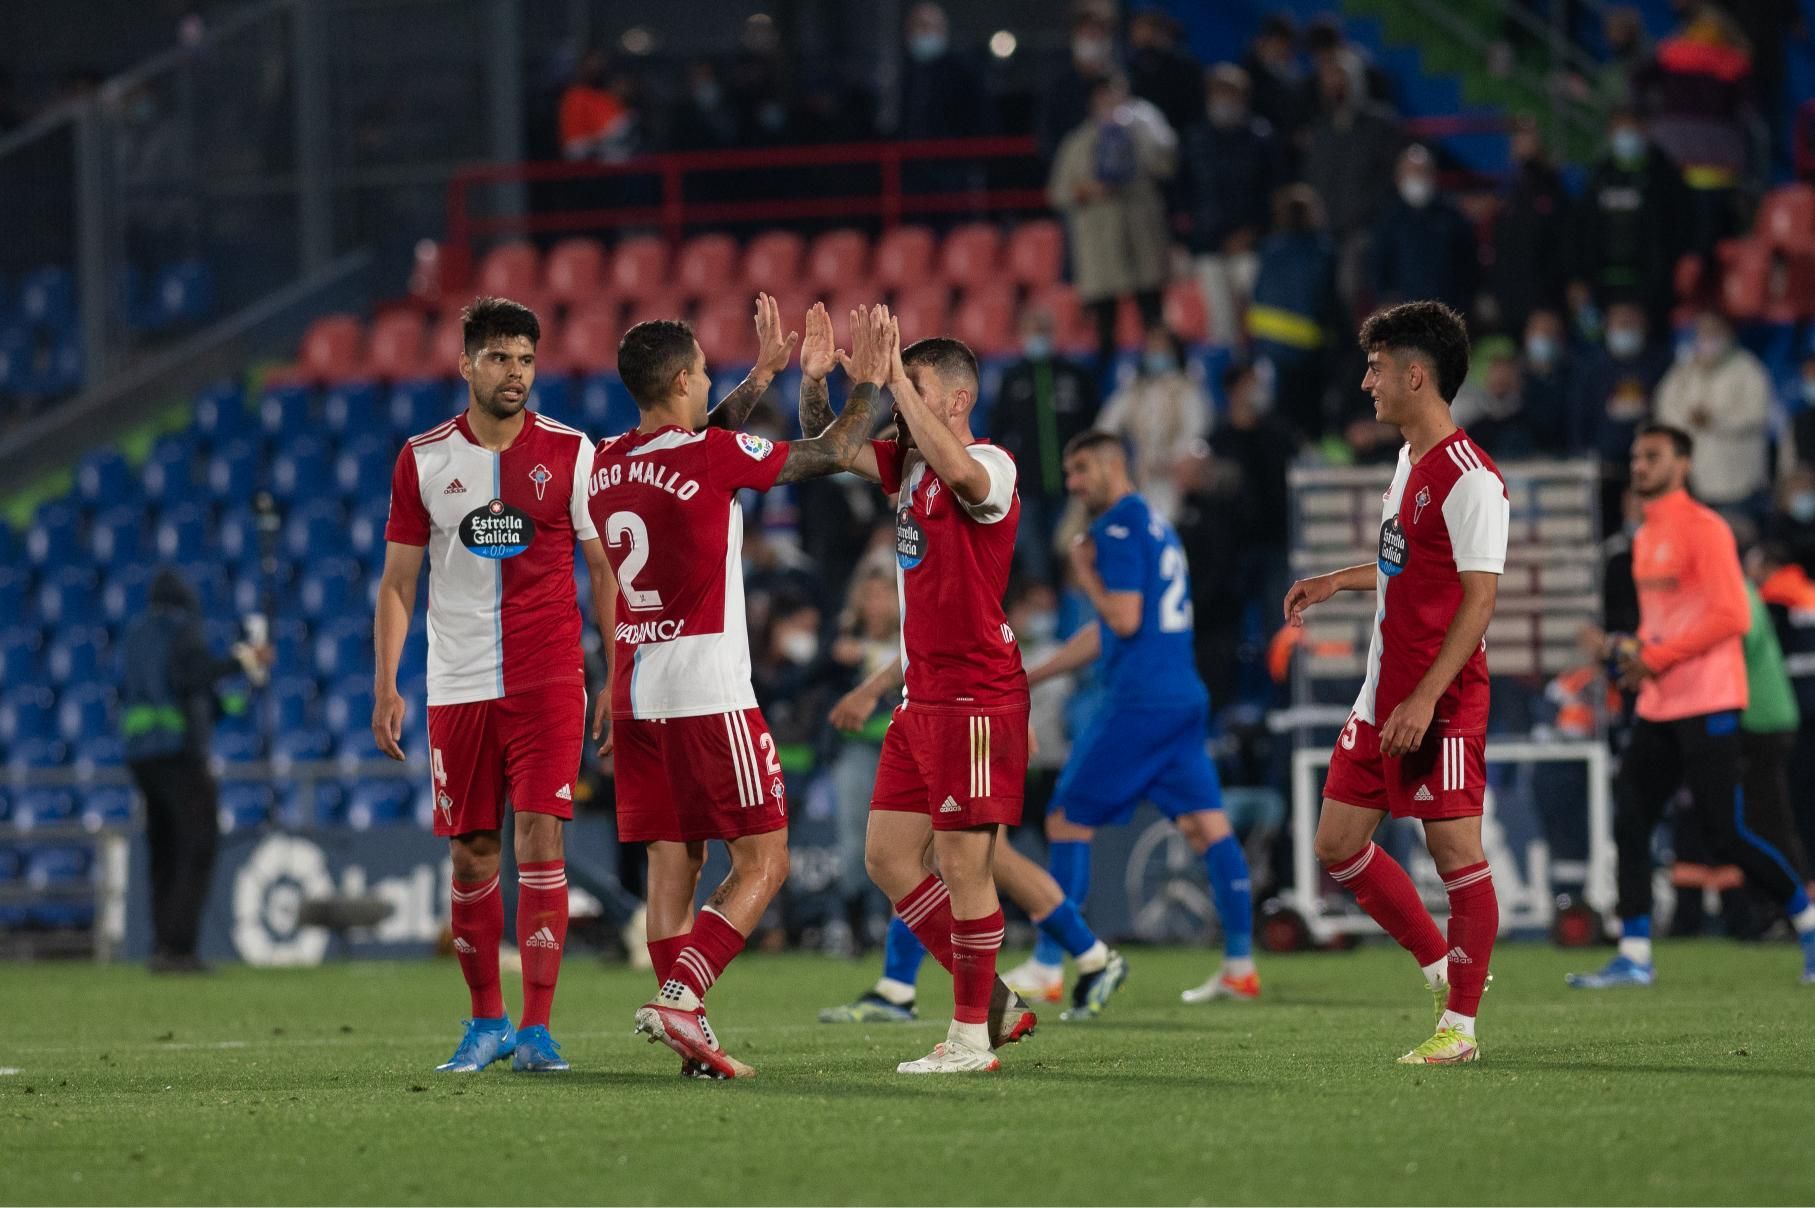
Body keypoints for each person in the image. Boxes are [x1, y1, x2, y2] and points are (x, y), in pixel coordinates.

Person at [590, 300, 889, 1078]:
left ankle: (688, 1028)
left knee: (672, 863)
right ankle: (682, 999)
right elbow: (836, 449)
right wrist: (868, 383)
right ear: (687, 378)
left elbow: (690, 447)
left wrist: (760, 376)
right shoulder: (709, 458)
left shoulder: (606, 462)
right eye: (706, 371)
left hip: (634, 688)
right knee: (764, 862)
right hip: (707, 690)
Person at [374, 297, 607, 1074]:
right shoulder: (425, 459)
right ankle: (484, 1022)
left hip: (547, 680)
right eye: (500, 358)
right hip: (459, 682)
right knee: (473, 853)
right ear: (467, 363)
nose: (515, 373)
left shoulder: (572, 452)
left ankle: (537, 1029)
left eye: (526, 359)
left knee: (541, 838)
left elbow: (602, 568)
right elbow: (398, 582)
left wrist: (619, 666)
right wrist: (387, 682)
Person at [1283, 300, 1510, 1064]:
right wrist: (1336, 581)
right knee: (1337, 845)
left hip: (1438, 703)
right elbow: (1404, 566)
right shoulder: (1410, 459)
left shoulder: (1472, 479)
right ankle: (1439, 969)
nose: (1364, 382)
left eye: (1377, 369)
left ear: (1417, 375)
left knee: (1455, 855)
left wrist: (1423, 698)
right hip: (1382, 694)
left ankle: (1461, 1031)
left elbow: (1479, 602)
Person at [844, 321, 1041, 1073]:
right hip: (921, 697)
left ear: (957, 398)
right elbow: (829, 447)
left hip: (976, 698)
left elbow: (966, 478)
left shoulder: (989, 464)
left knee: (965, 868)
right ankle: (994, 1001)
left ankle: (968, 1039)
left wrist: (893, 380)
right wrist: (817, 383)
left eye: (915, 387)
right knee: (889, 857)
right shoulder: (907, 468)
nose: (901, 404)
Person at [1008, 432, 1261, 1004]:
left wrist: (1084, 571)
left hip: (1140, 701)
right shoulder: (1154, 524)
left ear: (1107, 464)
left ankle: (1050, 965)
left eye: (1078, 471)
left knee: (1066, 820)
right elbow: (1111, 630)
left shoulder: (1114, 530)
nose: (1072, 485)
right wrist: (1036, 674)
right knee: (1207, 826)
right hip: (1181, 695)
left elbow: (1121, 618)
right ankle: (1241, 964)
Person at [1569, 424, 1815, 988]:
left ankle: (1807, 920)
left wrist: (1656, 658)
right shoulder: (1645, 536)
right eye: (1634, 456)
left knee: (1725, 834)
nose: (1639, 465)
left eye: (1652, 456)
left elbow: (1734, 615)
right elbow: (1663, 627)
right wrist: (1628, 654)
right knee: (1630, 821)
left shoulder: (1705, 528)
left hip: (1709, 699)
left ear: (1682, 463)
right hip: (1661, 703)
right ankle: (1635, 954)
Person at [819, 645, 1129, 1022]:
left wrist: (1011, 707)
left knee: (968, 858)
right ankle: (1090, 957)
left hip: (968, 711)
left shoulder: (953, 588)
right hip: (941, 708)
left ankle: (910, 989)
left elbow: (977, 630)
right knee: (929, 857)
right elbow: (919, 637)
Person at [121, 568, 271, 973]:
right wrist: (241, 663)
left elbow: (174, 691)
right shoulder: (182, 631)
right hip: (178, 754)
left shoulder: (134, 635)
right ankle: (180, 949)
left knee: (163, 849)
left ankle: (161, 945)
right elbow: (192, 677)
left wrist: (230, 698)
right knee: (196, 844)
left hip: (141, 756)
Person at [1047, 72, 1177, 373]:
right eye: (1104, 95)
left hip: (1142, 242)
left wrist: (1143, 133)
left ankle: (1160, 376)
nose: (1111, 102)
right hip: (1101, 249)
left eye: (1117, 94)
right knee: (1105, 328)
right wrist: (1085, 190)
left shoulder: (1145, 129)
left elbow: (1167, 165)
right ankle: (1104, 386)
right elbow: (1057, 192)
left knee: (1152, 319)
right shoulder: (1079, 141)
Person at [990, 305, 1100, 585]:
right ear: (1021, 335)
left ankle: (1075, 612)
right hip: (1028, 486)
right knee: (1035, 560)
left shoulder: (1074, 375)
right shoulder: (1012, 379)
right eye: (1032, 331)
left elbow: (1093, 426)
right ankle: (1043, 617)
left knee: (1074, 554)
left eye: (1042, 331)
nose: (1037, 337)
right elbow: (997, 431)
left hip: (1072, 484)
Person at [1181, 64, 1283, 348]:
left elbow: (1273, 195)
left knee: (1260, 309)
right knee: (1220, 322)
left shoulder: (1262, 138)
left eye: (1231, 93)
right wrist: (1191, 239)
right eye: (1218, 93)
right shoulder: (1195, 139)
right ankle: (1227, 376)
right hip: (1207, 247)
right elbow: (1185, 195)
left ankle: (1260, 366)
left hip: (1251, 245)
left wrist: (1254, 232)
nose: (1224, 100)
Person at [1568, 108, 1691, 336]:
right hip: (1604, 284)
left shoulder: (1665, 176)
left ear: (1645, 131)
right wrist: (1580, 277)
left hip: (1653, 285)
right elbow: (1582, 230)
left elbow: (1682, 226)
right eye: (1620, 130)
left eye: (1631, 129)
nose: (1626, 136)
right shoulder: (1598, 176)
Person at [1652, 309, 1771, 517]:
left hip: (1737, 485)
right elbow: (1664, 409)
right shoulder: (1684, 369)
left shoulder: (1748, 369)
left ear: (1729, 333)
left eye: (1714, 331)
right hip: (1695, 483)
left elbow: (1756, 414)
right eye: (1702, 332)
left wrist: (1715, 420)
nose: (1707, 338)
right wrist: (1689, 420)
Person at [1249, 184, 1343, 439]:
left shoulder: (1268, 250)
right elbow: (1328, 300)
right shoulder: (1322, 251)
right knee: (1310, 424)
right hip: (1308, 354)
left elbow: (1257, 296)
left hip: (1270, 352)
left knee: (1280, 423)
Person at [1093, 327, 1211, 523]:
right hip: (1141, 474)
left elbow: (1197, 430)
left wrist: (1172, 460)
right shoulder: (1136, 391)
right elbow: (1106, 425)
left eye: (1162, 349)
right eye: (1152, 349)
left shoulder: (1187, 390)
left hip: (1177, 476)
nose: (1156, 354)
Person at [1369, 145, 1479, 318]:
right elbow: (1378, 266)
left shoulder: (1452, 217)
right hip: (1404, 313)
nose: (1417, 177)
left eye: (1422, 171)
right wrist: (1386, 299)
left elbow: (1468, 263)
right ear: (1399, 178)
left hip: (1447, 310)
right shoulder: (1389, 220)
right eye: (1412, 172)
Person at [1488, 118, 1569, 338]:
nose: (1521, 142)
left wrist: (1550, 301)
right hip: (1511, 301)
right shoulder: (1509, 189)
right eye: (1518, 136)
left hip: (1543, 303)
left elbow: (1561, 246)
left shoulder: (1552, 187)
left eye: (1527, 136)